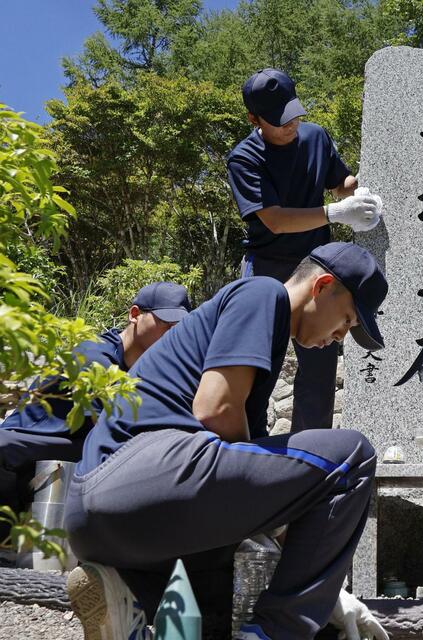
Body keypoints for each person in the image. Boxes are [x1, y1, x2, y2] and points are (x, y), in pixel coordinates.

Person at [65, 242, 389, 640]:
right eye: (346, 320)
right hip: (140, 473)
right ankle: (276, 634)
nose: (339, 337)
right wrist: (308, 591)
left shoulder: (253, 350)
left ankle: (126, 600)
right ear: (321, 287)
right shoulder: (262, 294)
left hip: (100, 518)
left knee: (225, 594)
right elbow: (215, 410)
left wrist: (325, 585)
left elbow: (256, 482)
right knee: (351, 459)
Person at [226, 67, 383, 432]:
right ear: (254, 119)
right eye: (280, 120)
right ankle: (251, 448)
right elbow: (275, 220)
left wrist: (356, 193)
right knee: (257, 360)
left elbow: (338, 181)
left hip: (317, 267)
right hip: (267, 267)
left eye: (294, 113)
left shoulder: (315, 137)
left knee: (320, 365)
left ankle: (311, 453)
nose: (292, 124)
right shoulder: (245, 159)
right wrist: (335, 212)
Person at [0, 282, 191, 535]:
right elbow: (112, 437)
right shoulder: (94, 358)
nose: (171, 333)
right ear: (134, 315)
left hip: (75, 456)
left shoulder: (150, 371)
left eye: (178, 327)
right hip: (32, 452)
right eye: (165, 323)